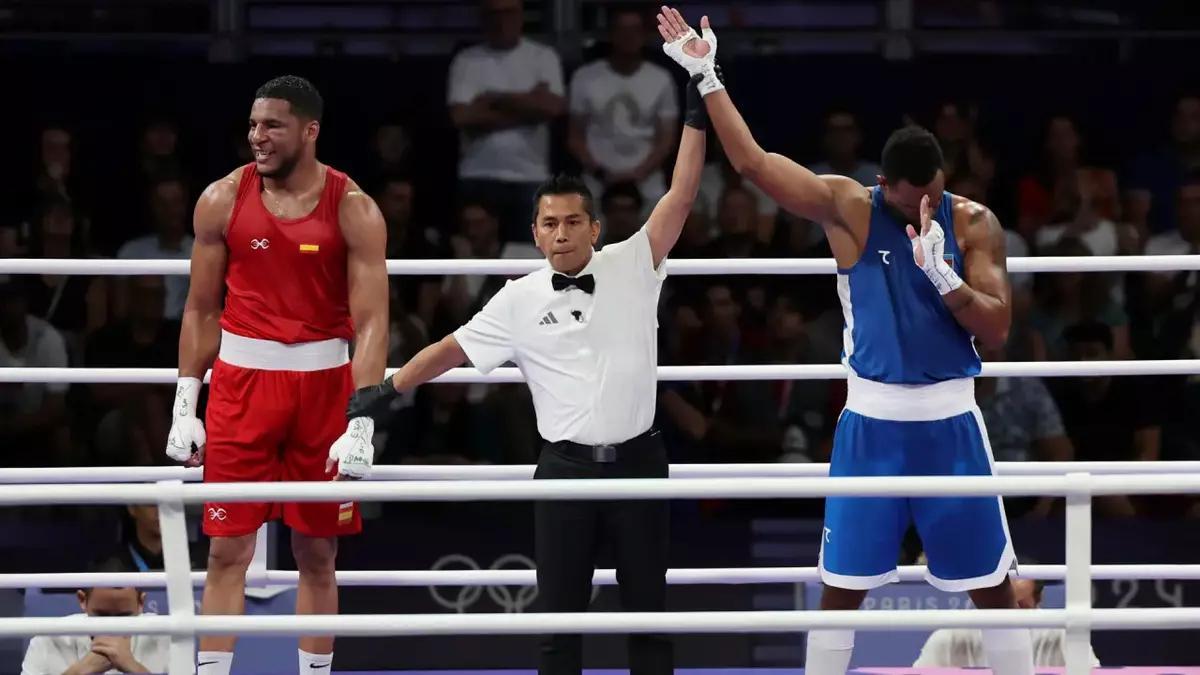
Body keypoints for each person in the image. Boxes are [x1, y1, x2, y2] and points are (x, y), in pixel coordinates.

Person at [655, 7, 1032, 674]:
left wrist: (946, 281)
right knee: (841, 590)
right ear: (883, 182)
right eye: (903, 197)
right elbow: (751, 162)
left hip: (951, 423)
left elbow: (997, 329)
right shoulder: (849, 207)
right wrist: (707, 75)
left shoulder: (974, 225)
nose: (915, 209)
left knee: (993, 588)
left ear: (940, 184)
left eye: (926, 197)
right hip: (872, 426)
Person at [347, 71, 710, 675]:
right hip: (563, 469)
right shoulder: (516, 297)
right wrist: (388, 387)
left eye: (573, 222)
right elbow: (450, 348)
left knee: (649, 614)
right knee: (557, 619)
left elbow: (682, 191)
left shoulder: (634, 261)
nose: (562, 233)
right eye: (550, 224)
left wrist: (698, 108)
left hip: (641, 464)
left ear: (594, 227)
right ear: (535, 233)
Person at [164, 75, 389, 675]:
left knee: (318, 552)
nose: (256, 138)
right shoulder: (219, 200)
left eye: (272, 126)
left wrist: (361, 417)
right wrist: (186, 402)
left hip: (323, 389)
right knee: (226, 551)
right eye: (253, 125)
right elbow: (201, 307)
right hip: (241, 386)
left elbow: (371, 323)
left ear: (309, 131)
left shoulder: (354, 207)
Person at [21, 558, 169, 675]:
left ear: (141, 603)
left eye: (123, 616)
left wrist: (134, 668)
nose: (112, 628)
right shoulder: (47, 640)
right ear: (82, 600)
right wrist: (78, 672)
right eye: (102, 615)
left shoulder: (167, 637)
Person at [914, 577, 1100, 666]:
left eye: (1020, 605)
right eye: (1001, 605)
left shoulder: (1061, 637)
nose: (1011, 615)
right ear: (980, 598)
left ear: (1038, 600)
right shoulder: (949, 637)